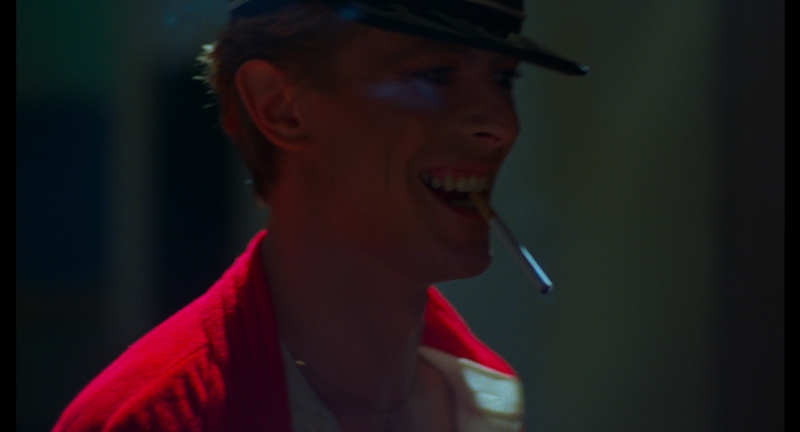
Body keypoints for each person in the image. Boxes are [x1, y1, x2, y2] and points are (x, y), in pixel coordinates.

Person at [53, 1, 586, 431]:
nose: (502, 125)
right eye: (436, 74)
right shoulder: (152, 419)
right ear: (280, 107)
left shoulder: (481, 402)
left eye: (503, 79)